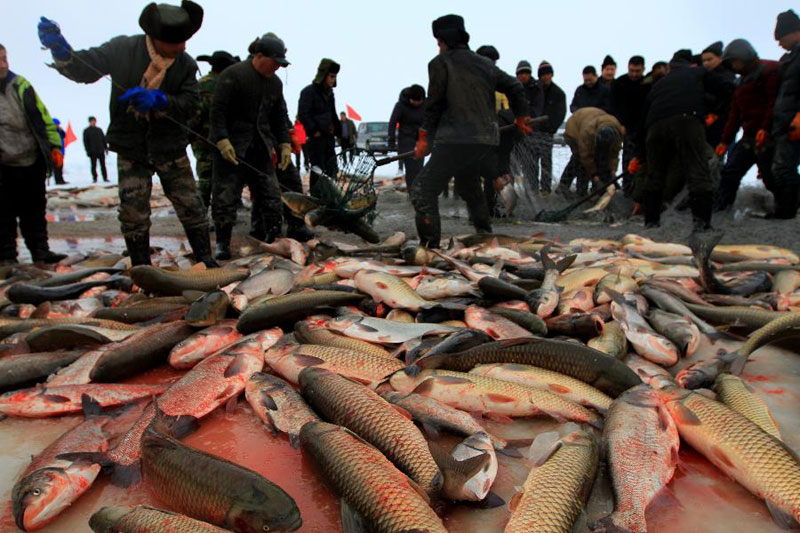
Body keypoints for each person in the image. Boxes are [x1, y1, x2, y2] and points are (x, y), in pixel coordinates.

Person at [38, 2, 217, 267]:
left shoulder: (185, 65)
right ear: (155, 38)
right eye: (175, 42)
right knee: (133, 212)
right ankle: (142, 267)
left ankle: (205, 259)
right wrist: (61, 51)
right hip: (131, 146)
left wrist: (162, 100)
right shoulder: (123, 49)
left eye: (184, 41)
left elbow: (191, 104)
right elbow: (84, 68)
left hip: (170, 146)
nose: (182, 47)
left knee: (191, 206)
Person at [410, 14, 529, 249]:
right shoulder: (485, 64)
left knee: (423, 190)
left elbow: (434, 105)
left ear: (444, 40)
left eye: (438, 42)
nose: (438, 47)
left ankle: (430, 247)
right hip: (485, 140)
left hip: (454, 140)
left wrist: (424, 137)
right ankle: (484, 233)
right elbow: (515, 86)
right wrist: (520, 116)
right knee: (468, 184)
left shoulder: (440, 63)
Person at [209, 33, 292, 259]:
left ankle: (274, 238)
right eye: (274, 62)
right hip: (232, 148)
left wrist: (284, 143)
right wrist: (221, 139)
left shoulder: (275, 83)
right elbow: (217, 111)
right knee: (225, 197)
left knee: (271, 194)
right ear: (259, 56)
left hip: (260, 148)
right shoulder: (233, 75)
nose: (277, 67)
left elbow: (279, 116)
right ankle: (223, 243)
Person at [630, 50, 717, 231]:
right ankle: (702, 225)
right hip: (687, 121)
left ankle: (651, 223)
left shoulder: (659, 84)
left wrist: (639, 155)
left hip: (655, 127)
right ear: (692, 64)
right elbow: (726, 88)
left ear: (671, 66)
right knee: (698, 171)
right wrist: (713, 111)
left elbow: (642, 119)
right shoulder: (698, 72)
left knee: (655, 175)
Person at [0, 43, 67, 264]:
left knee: (35, 210)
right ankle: (7, 258)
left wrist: (55, 146)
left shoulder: (21, 85)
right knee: (3, 214)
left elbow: (44, 117)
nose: (3, 64)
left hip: (31, 161)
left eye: (4, 58)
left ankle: (41, 252)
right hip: (3, 166)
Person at [714, 40, 779, 212]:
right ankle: (722, 209)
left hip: (770, 134)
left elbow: (773, 103)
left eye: (735, 61)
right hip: (749, 136)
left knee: (770, 174)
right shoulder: (740, 83)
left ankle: (787, 208)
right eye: (731, 63)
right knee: (730, 171)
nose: (734, 66)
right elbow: (734, 115)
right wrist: (725, 141)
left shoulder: (769, 70)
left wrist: (766, 128)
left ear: (745, 56)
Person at [189, 50, 239, 210]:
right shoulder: (227, 85)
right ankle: (223, 210)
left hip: (202, 138)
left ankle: (201, 211)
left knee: (205, 176)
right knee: (225, 176)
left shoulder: (200, 84)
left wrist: (189, 135)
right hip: (224, 138)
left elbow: (194, 115)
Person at [771, 9, 800, 219]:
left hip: (795, 120)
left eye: (782, 38)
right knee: (780, 167)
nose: (779, 43)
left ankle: (787, 214)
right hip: (783, 120)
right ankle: (784, 210)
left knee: (783, 168)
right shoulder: (788, 58)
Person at [557, 107, 623, 197]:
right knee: (579, 160)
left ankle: (597, 188)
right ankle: (573, 189)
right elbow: (586, 157)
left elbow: (614, 155)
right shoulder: (588, 133)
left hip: (590, 120)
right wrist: (595, 177)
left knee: (601, 159)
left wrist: (612, 173)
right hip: (574, 129)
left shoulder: (617, 132)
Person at [298, 58, 340, 193]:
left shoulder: (329, 93)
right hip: (316, 140)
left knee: (332, 169)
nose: (333, 80)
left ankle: (330, 197)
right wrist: (314, 130)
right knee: (318, 171)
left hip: (329, 139)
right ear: (324, 75)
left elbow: (333, 113)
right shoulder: (308, 92)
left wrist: (337, 130)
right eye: (331, 76)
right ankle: (316, 198)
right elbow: (303, 114)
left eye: (335, 77)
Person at [611, 55, 648, 194]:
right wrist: (619, 123)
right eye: (631, 70)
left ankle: (641, 190)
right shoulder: (619, 83)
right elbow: (614, 106)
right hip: (626, 128)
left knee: (644, 161)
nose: (634, 74)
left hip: (644, 127)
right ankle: (627, 189)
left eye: (637, 71)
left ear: (643, 69)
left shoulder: (647, 84)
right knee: (628, 159)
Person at [534, 60, 566, 194]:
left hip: (547, 133)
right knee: (532, 163)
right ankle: (533, 189)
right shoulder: (534, 89)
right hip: (532, 132)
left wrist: (551, 128)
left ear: (552, 75)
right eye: (543, 74)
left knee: (546, 162)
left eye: (548, 74)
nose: (546, 77)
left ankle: (545, 189)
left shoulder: (558, 93)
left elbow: (561, 114)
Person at [513, 59, 545, 192]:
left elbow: (537, 108)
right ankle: (513, 190)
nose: (523, 76)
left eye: (526, 73)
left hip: (531, 130)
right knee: (513, 164)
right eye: (521, 73)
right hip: (515, 131)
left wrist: (527, 117)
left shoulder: (536, 88)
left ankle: (533, 190)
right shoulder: (513, 87)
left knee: (531, 164)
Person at [388, 84, 425, 189]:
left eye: (419, 101)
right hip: (406, 140)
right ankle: (411, 190)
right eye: (414, 101)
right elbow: (392, 123)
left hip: (420, 140)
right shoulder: (401, 105)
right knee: (410, 167)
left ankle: (418, 190)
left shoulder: (425, 105)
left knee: (419, 167)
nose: (416, 103)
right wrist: (391, 139)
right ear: (410, 99)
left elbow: (431, 120)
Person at [701, 41, 736, 149]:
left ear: (720, 58)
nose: (706, 63)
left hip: (720, 124)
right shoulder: (704, 76)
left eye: (709, 59)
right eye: (703, 61)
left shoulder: (727, 76)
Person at [83, 116, 108, 183]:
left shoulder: (99, 130)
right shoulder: (86, 131)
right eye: (92, 121)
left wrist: (106, 148)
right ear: (89, 122)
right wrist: (88, 151)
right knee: (93, 166)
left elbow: (103, 139)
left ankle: (105, 178)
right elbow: (85, 142)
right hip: (92, 151)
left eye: (94, 121)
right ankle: (95, 178)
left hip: (100, 150)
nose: (93, 122)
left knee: (103, 165)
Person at [51, 118, 67, 185]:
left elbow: (64, 135)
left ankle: (61, 179)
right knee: (57, 166)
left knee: (61, 166)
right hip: (56, 151)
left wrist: (61, 130)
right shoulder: (52, 132)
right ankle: (58, 180)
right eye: (57, 124)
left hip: (61, 150)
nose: (58, 125)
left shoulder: (60, 131)